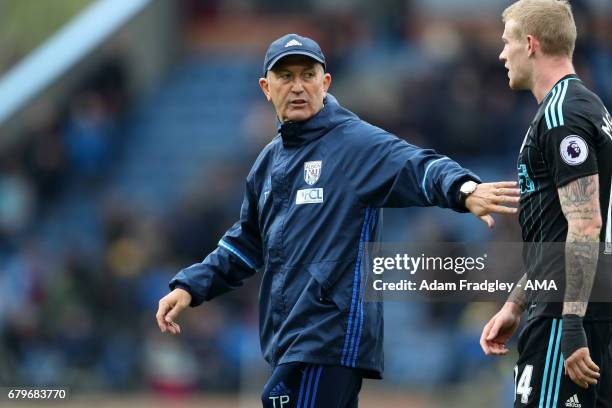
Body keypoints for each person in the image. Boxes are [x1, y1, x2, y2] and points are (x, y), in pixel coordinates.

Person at [157, 33, 520, 407]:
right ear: (267, 88)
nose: (297, 86)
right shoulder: (267, 163)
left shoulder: (354, 144)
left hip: (328, 337)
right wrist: (191, 286)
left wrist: (463, 189)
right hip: (289, 340)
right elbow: (246, 244)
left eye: (307, 75)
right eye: (285, 77)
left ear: (324, 82)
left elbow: (415, 165)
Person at [480, 1, 612, 407]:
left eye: (508, 42)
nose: (502, 54)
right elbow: (556, 234)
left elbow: (586, 224)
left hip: (566, 316)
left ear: (531, 44)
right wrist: (516, 303)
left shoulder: (562, 116)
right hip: (567, 304)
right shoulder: (582, 107)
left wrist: (571, 324)